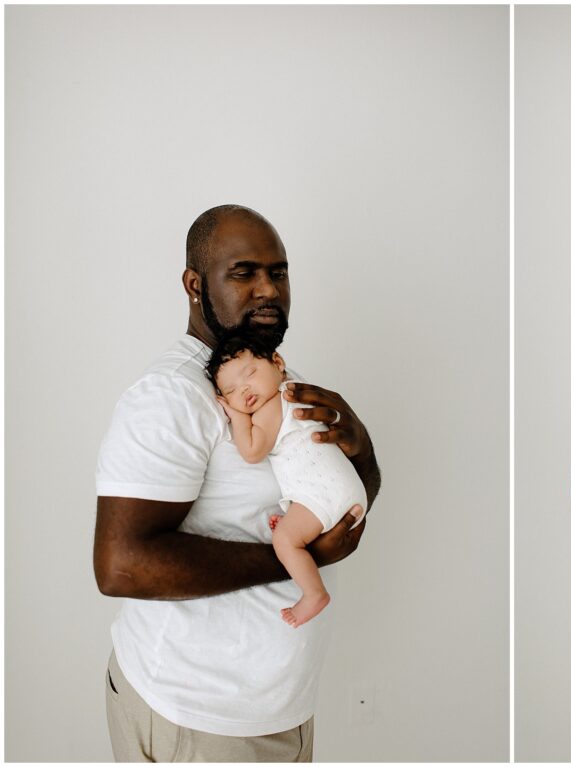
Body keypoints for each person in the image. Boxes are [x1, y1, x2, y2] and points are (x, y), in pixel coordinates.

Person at [94, 204, 381, 762]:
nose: (268, 289)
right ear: (195, 285)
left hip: (277, 714)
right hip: (195, 718)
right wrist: (296, 558)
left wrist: (360, 444)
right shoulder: (173, 397)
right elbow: (119, 564)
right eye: (244, 272)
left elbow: (340, 501)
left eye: (279, 272)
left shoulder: (275, 377)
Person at [207, 328, 367, 628]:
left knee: (284, 540)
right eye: (230, 391)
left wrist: (238, 417)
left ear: (278, 362)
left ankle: (313, 593)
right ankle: (301, 523)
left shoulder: (271, 407)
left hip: (325, 490)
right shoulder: (294, 390)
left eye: (250, 373)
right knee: (289, 527)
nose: (243, 390)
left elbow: (253, 451)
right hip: (340, 487)